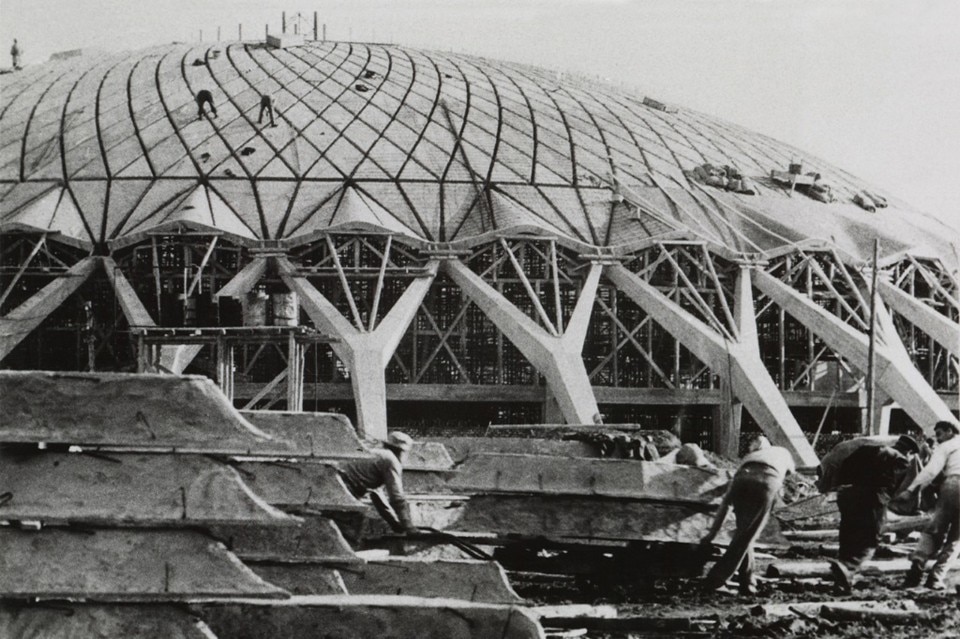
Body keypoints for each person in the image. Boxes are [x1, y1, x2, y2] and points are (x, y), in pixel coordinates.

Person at [699, 435, 795, 594]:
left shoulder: (749, 457)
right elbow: (790, 473)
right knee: (746, 535)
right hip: (766, 481)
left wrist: (712, 533)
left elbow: (725, 504)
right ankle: (715, 580)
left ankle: (747, 581)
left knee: (744, 533)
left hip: (741, 479)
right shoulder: (782, 451)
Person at [828, 435, 920, 592]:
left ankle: (842, 576)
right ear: (909, 451)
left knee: (848, 533)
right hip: (872, 498)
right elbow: (900, 487)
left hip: (846, 496)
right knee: (870, 538)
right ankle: (849, 567)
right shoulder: (900, 460)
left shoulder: (865, 450)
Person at [897, 420, 960, 590]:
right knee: (956, 539)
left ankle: (916, 567)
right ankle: (936, 578)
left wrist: (911, 490)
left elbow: (931, 470)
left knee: (934, 529)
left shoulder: (949, 444)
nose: (938, 439)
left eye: (939, 434)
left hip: (954, 484)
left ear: (949, 431)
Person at [339, 431, 417, 533]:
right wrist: (408, 526)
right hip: (345, 487)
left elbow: (378, 497)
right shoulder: (390, 460)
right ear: (401, 451)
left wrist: (395, 525)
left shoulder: (377, 454)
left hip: (339, 484)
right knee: (351, 524)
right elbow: (397, 498)